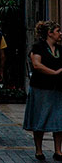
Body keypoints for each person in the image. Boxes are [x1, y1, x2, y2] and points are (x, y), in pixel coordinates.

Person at [23, 20, 62, 161]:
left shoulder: (59, 49)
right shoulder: (38, 47)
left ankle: (58, 151)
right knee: (40, 118)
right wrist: (54, 73)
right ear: (49, 33)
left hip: (57, 89)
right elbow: (36, 65)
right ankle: (39, 150)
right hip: (41, 88)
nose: (60, 34)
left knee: (59, 120)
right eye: (58, 31)